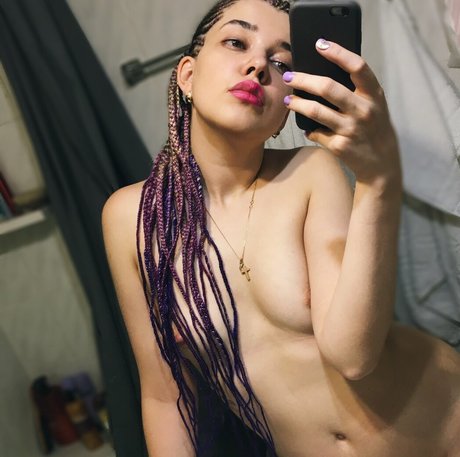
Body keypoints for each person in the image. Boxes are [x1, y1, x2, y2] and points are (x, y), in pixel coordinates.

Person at [102, 0, 460, 455]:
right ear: (187, 76)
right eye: (237, 42)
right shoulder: (131, 217)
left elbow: (352, 356)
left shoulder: (310, 173)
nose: (258, 66)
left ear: (285, 112)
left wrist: (380, 179)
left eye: (281, 64)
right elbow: (165, 396)